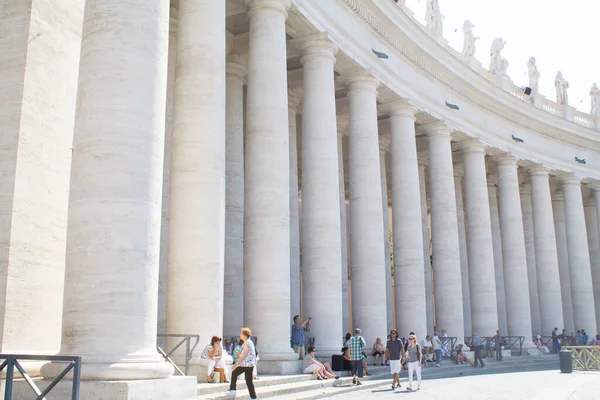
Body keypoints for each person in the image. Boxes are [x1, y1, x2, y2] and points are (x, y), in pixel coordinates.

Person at [229, 327, 257, 399]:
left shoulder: (246, 342)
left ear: (245, 335)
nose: (240, 335)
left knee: (234, 373)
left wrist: (236, 364)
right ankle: (253, 397)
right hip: (251, 364)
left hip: (246, 364)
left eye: (241, 333)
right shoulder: (250, 342)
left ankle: (233, 390)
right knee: (249, 382)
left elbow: (244, 355)